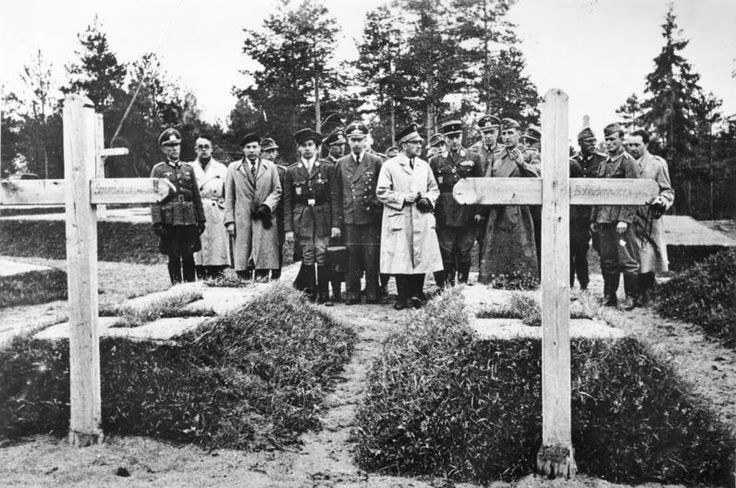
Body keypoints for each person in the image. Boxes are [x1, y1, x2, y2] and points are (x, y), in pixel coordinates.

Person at [376, 123, 443, 310]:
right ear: (404, 145)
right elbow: (381, 192)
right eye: (415, 142)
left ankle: (416, 293)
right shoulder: (389, 166)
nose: (420, 146)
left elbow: (434, 188)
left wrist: (429, 200)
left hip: (421, 216)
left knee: (420, 255)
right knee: (401, 256)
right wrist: (403, 198)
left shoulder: (424, 166)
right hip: (400, 216)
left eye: (420, 142)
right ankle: (401, 295)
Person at [477, 118, 540, 285]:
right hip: (498, 211)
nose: (506, 137)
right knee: (497, 250)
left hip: (521, 211)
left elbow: (538, 178)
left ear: (519, 134)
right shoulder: (497, 157)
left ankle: (523, 283)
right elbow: (487, 183)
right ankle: (497, 282)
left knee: (521, 249)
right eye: (503, 133)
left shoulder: (530, 155)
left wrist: (522, 164)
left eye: (510, 133)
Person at [284, 128, 341, 303]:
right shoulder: (292, 171)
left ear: (317, 148)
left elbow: (335, 198)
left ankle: (324, 294)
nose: (307, 148)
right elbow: (287, 202)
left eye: (311, 145)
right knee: (308, 253)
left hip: (323, 216)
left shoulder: (327, 168)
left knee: (322, 252)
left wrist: (336, 224)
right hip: (302, 218)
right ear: (298, 149)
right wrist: (288, 229)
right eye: (303, 145)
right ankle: (309, 294)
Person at [591, 123, 640, 309]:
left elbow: (633, 192)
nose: (609, 143)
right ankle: (609, 296)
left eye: (613, 139)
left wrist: (625, 219)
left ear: (621, 140)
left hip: (620, 223)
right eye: (607, 140)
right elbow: (597, 193)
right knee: (608, 261)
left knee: (627, 260)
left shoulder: (629, 163)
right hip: (604, 220)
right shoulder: (603, 164)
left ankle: (630, 297)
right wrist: (594, 219)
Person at [333, 121, 384, 304]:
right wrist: (337, 223)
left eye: (360, 140)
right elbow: (336, 195)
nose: (356, 144)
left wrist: (375, 207)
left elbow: (382, 190)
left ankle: (372, 291)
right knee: (351, 256)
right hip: (350, 218)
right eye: (352, 140)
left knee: (371, 256)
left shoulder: (376, 161)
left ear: (366, 141)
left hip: (370, 218)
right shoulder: (340, 163)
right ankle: (352, 292)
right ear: (348, 141)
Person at [430, 120, 483, 288]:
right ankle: (446, 286)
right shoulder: (436, 161)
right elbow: (432, 188)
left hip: (466, 211)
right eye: (450, 137)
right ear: (445, 139)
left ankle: (462, 284)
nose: (454, 141)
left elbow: (479, 186)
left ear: (462, 136)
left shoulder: (473, 158)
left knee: (464, 250)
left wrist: (479, 211)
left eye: (457, 136)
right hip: (444, 212)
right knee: (446, 250)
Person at [150, 128, 206, 285]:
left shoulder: (188, 169)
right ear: (163, 149)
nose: (174, 149)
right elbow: (154, 199)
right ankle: (176, 289)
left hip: (188, 218)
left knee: (188, 255)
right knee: (173, 255)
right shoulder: (159, 170)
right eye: (170, 145)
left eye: (176, 145)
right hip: (170, 220)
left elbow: (196, 196)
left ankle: (190, 288)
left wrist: (201, 219)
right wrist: (157, 222)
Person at [625, 129, 674, 306]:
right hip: (630, 217)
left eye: (637, 144)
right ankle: (633, 294)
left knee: (652, 254)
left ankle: (650, 293)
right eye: (629, 145)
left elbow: (668, 190)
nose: (633, 148)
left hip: (650, 218)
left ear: (646, 144)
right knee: (633, 256)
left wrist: (662, 200)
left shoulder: (657, 164)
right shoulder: (624, 163)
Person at [224, 133, 282, 281]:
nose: (251, 150)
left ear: (260, 149)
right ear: (243, 150)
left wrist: (267, 206)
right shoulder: (233, 168)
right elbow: (229, 196)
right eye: (248, 147)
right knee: (243, 261)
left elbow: (277, 190)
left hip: (264, 219)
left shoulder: (270, 167)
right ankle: (244, 288)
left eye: (254, 147)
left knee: (263, 259)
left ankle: (262, 290)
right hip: (242, 219)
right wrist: (229, 221)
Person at [569, 127, 607, 290]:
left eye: (594, 141)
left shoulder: (603, 160)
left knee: (603, 251)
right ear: (580, 143)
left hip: (597, 212)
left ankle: (608, 290)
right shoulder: (572, 161)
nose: (593, 144)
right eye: (588, 141)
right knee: (576, 250)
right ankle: (576, 285)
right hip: (578, 215)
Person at [191, 135, 230, 280]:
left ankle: (217, 277)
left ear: (212, 149)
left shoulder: (221, 168)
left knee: (216, 250)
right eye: (200, 147)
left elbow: (228, 194)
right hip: (198, 211)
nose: (203, 150)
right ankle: (200, 277)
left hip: (216, 212)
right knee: (199, 252)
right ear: (195, 149)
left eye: (206, 146)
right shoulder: (190, 168)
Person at [470, 114, 503, 261]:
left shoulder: (503, 151)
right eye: (485, 132)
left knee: (498, 239)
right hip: (478, 203)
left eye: (492, 132)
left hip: (498, 202)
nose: (488, 136)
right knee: (481, 238)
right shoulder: (473, 151)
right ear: (480, 133)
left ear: (498, 132)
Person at [261, 137, 289, 279]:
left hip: (278, 215)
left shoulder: (283, 171)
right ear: (261, 153)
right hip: (261, 214)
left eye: (273, 151)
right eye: (267, 152)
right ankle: (262, 276)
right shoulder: (257, 171)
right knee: (262, 246)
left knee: (277, 246)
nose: (271, 155)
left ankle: (276, 278)